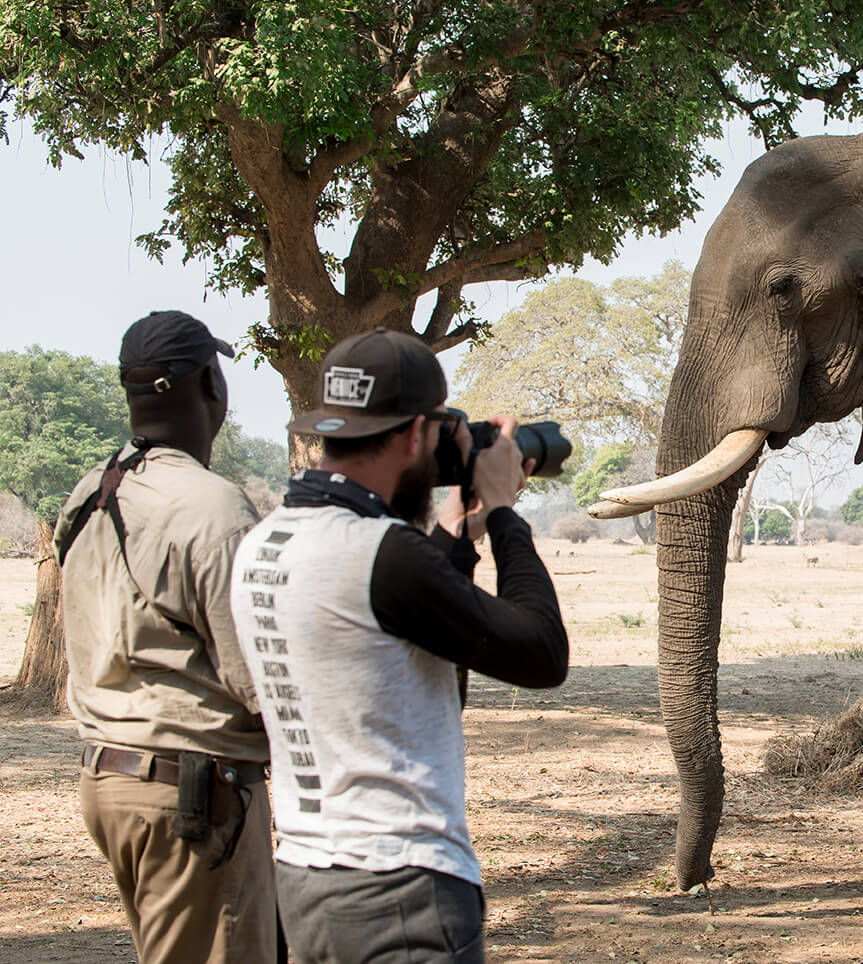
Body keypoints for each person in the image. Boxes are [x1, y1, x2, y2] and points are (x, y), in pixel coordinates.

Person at [231, 328, 569, 962]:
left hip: (306, 877)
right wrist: (502, 514)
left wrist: (457, 538)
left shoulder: (266, 541)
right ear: (417, 434)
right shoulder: (378, 553)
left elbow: (423, 659)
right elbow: (542, 654)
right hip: (399, 890)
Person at [56, 310, 275, 963]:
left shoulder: (92, 493)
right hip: (193, 792)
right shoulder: (213, 506)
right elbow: (255, 677)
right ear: (212, 383)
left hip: (112, 781)